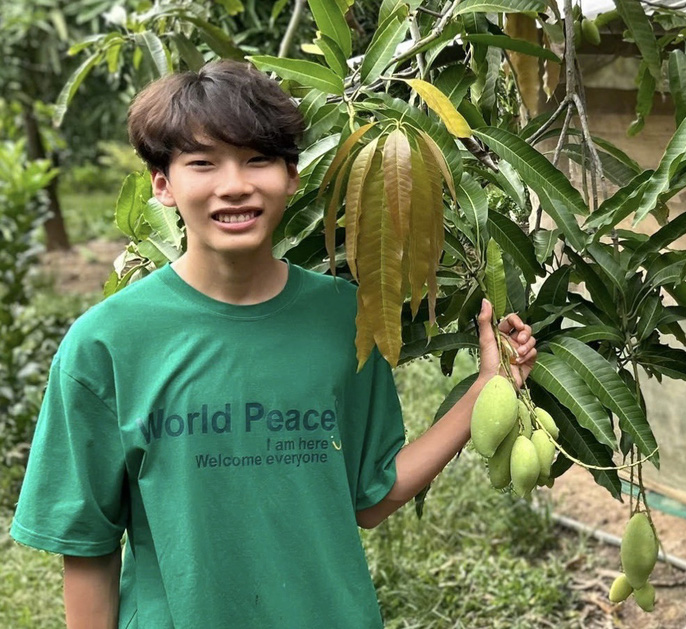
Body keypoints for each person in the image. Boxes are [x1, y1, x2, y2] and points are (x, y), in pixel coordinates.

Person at [9, 60, 538, 629]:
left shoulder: (346, 319)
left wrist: (487, 388)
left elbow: (371, 497)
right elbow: (86, 546)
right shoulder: (107, 343)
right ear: (162, 185)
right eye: (202, 164)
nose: (234, 185)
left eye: (257, 160)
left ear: (292, 176)